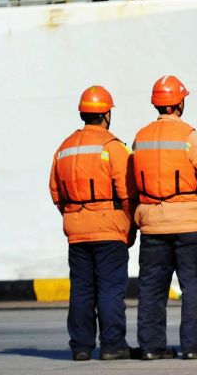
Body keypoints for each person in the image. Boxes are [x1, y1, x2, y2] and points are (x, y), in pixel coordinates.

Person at [130, 75, 197, 361]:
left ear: (157, 103)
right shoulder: (192, 138)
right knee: (192, 287)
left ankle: (151, 347)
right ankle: (194, 347)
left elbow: (132, 181)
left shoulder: (140, 138)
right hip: (189, 223)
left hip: (152, 224)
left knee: (152, 288)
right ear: (180, 103)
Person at [48, 85, 134, 362]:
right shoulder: (113, 147)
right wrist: (130, 225)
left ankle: (82, 346)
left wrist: (73, 215)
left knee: (82, 289)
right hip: (109, 228)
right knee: (110, 288)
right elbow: (127, 191)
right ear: (107, 114)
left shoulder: (64, 149)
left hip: (77, 230)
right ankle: (112, 345)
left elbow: (55, 192)